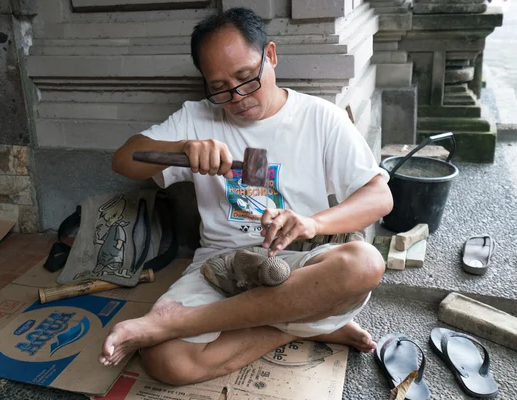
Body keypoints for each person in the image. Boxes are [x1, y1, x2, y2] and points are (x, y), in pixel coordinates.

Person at [99, 7, 393, 386]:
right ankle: (306, 324)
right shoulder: (197, 118)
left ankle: (178, 321)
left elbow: (379, 196)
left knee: (364, 264)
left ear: (270, 55)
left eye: (245, 78)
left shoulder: (321, 117)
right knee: (165, 361)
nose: (236, 97)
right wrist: (183, 146)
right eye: (219, 87)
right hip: (222, 265)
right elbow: (124, 160)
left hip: (300, 259)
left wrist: (312, 222)